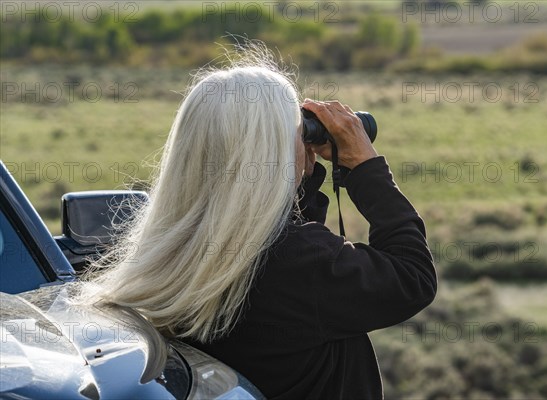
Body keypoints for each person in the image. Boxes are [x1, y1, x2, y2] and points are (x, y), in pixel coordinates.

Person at [86, 49, 437, 399]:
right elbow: (413, 277)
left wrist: (300, 177)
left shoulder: (175, 249)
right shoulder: (301, 263)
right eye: (298, 134)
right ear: (275, 150)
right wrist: (365, 168)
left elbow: (278, 241)